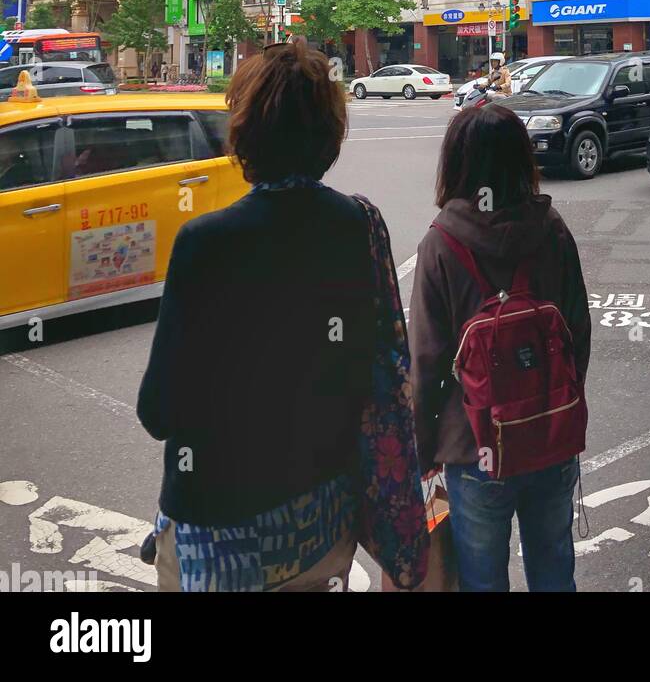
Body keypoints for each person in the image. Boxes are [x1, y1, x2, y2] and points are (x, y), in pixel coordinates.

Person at [137, 39, 428, 593]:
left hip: (218, 533)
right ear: (328, 134)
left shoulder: (205, 242)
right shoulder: (357, 225)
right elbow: (375, 368)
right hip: (321, 522)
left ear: (245, 131)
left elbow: (158, 411)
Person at [409, 104, 591, 593]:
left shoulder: (443, 244)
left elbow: (426, 363)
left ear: (456, 164)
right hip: (550, 438)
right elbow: (578, 333)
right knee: (553, 565)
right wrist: (558, 409)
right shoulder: (551, 229)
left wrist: (423, 452)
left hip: (475, 447)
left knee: (482, 577)